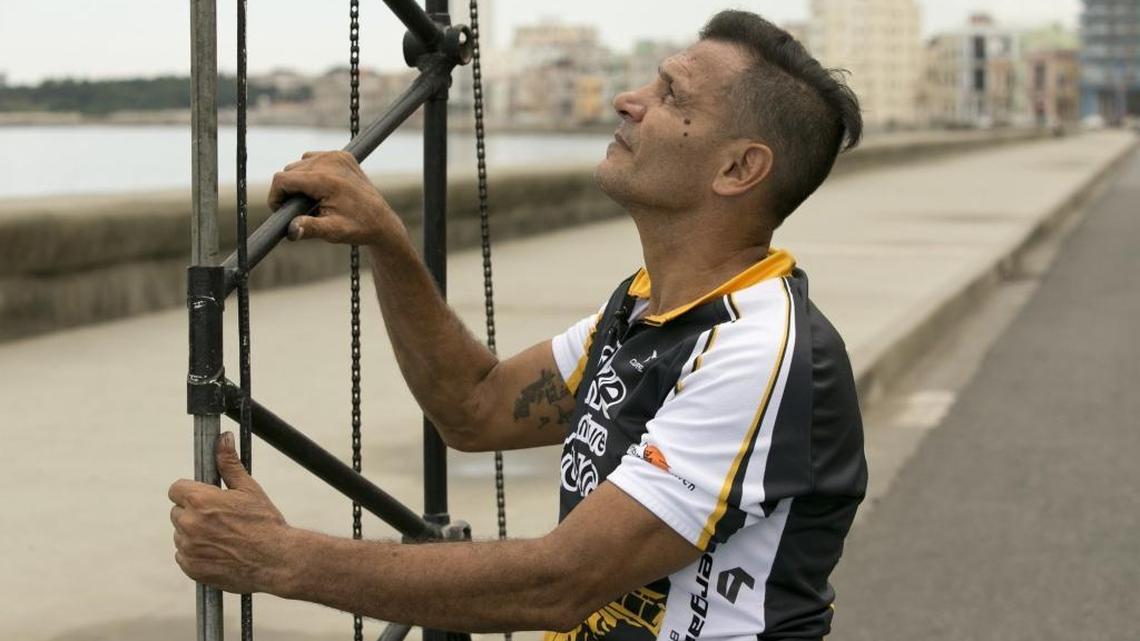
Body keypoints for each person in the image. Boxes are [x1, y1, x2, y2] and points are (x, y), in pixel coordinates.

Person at [169, 10, 868, 640]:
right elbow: (477, 408)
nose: (632, 101)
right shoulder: (646, 305)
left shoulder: (758, 348)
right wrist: (386, 239)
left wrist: (282, 558)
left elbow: (557, 581)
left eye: (671, 94)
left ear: (739, 167)